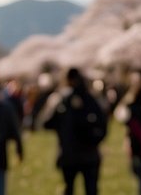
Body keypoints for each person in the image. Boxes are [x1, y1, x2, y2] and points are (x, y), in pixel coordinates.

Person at [43, 67, 107, 195]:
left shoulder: (60, 99)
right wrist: (94, 141)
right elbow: (103, 124)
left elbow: (46, 122)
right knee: (91, 190)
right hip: (89, 155)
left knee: (69, 188)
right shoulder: (91, 98)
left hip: (68, 154)